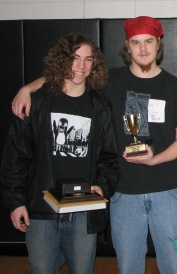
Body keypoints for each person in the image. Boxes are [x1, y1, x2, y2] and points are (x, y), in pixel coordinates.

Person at [11, 16, 177, 274]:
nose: (143, 49)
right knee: (129, 267)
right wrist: (27, 88)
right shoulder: (110, 81)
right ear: (127, 46)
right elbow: (71, 74)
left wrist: (155, 159)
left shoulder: (176, 88)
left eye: (148, 42)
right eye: (136, 42)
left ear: (159, 44)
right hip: (123, 195)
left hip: (168, 193)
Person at [1, 33, 119, 274]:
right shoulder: (37, 102)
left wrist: (102, 186)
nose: (81, 66)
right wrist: (15, 203)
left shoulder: (100, 107)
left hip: (83, 210)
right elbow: (15, 158)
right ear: (62, 60)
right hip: (42, 211)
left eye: (88, 60)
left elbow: (109, 158)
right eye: (75, 58)